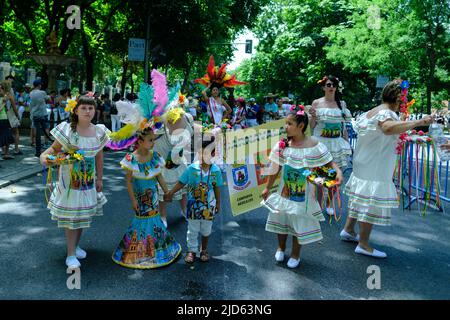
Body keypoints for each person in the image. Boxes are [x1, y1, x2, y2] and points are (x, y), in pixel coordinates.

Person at [341, 80, 434, 258]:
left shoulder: (373, 111)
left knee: (361, 197)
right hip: (375, 164)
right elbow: (387, 128)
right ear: (398, 99)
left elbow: (385, 132)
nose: (403, 104)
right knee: (370, 201)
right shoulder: (386, 113)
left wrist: (409, 133)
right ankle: (363, 243)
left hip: (364, 162)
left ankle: (349, 229)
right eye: (402, 101)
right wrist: (419, 122)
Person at [261, 105, 343, 268]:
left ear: (301, 126)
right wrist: (267, 188)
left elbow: (329, 162)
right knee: (282, 219)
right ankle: (281, 247)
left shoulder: (314, 145)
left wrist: (338, 172)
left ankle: (296, 254)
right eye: (285, 123)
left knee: (298, 223)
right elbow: (274, 169)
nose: (286, 127)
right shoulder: (283, 145)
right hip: (284, 193)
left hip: (304, 196)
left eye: (289, 124)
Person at [39, 95, 110, 269]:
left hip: (87, 182)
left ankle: (76, 246)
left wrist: (100, 178)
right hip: (69, 183)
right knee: (72, 216)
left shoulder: (99, 131)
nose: (87, 111)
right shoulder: (68, 130)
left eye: (90, 108)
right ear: (76, 110)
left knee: (81, 215)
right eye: (84, 108)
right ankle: (70, 254)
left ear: (95, 111)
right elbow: (53, 149)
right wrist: (44, 157)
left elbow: (99, 157)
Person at [111, 127, 182, 269]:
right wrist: (133, 201)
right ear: (140, 141)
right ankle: (139, 252)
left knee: (154, 220)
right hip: (140, 198)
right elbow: (129, 182)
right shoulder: (131, 159)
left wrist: (167, 192)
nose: (153, 142)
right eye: (150, 140)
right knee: (141, 222)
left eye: (154, 139)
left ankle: (157, 251)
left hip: (153, 197)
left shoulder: (155, 156)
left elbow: (159, 176)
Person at [167, 136, 224, 264]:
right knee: (192, 229)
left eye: (206, 153)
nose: (202, 156)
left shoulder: (216, 171)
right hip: (193, 206)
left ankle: (203, 250)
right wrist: (171, 192)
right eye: (200, 153)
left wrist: (219, 203)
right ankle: (191, 251)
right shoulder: (191, 169)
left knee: (206, 229)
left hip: (209, 207)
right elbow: (181, 182)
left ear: (213, 154)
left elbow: (217, 188)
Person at [153, 106, 202, 227]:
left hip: (180, 160)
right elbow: (148, 137)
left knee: (183, 188)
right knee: (162, 190)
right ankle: (163, 215)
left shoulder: (188, 117)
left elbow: (196, 134)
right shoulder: (159, 120)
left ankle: (184, 210)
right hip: (163, 160)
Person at [310, 75, 352, 216]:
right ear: (323, 87)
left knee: (335, 177)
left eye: (333, 84)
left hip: (337, 144)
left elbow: (344, 127)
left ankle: (328, 204)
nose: (331, 87)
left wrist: (347, 143)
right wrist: (313, 116)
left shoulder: (342, 104)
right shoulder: (316, 103)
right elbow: (311, 126)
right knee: (320, 178)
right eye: (328, 85)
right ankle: (317, 206)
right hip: (321, 144)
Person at [30, 79, 51, 157]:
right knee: (46, 129)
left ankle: (38, 151)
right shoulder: (42, 92)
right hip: (43, 114)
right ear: (39, 85)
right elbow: (48, 100)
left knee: (37, 133)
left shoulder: (31, 93)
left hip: (35, 114)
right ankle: (47, 144)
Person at [0, 81, 16, 160]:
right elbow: (13, 106)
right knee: (7, 135)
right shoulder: (8, 96)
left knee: (5, 135)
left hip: (4, 117)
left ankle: (4, 152)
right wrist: (18, 116)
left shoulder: (3, 95)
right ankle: (6, 153)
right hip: (4, 118)